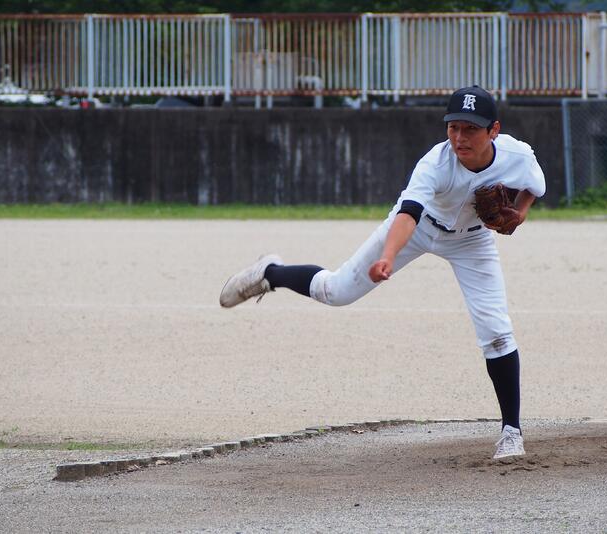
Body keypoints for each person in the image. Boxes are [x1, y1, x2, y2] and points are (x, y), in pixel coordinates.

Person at [219, 86, 546, 459]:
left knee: (496, 331)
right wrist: (388, 257)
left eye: (470, 128)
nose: (459, 137)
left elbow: (534, 186)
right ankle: (270, 272)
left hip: (472, 242)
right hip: (417, 229)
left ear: (494, 130)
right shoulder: (435, 164)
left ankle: (511, 432)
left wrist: (519, 214)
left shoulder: (518, 156)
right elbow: (408, 214)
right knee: (336, 291)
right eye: (453, 127)